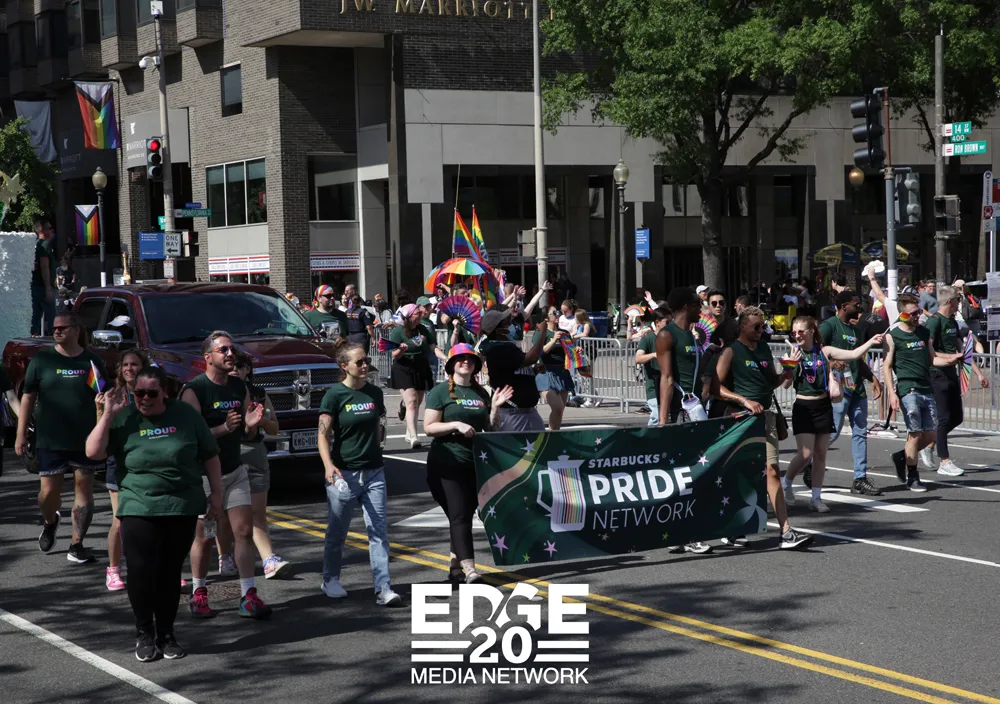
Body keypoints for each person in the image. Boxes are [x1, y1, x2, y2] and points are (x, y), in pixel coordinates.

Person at [86, 367, 222, 662]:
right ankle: (145, 632)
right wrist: (107, 414)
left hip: (181, 504)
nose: (144, 399)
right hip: (138, 504)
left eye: (151, 393)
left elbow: (210, 454)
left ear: (165, 392)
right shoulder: (124, 417)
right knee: (140, 570)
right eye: (139, 393)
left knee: (169, 572)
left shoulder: (186, 415)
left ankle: (167, 634)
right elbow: (93, 452)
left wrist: (217, 495)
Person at [181, 331, 271, 619]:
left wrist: (251, 424)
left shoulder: (238, 386)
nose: (231, 354)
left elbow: (246, 430)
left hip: (234, 471)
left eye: (232, 349)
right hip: (205, 477)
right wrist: (224, 428)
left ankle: (248, 594)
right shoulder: (194, 390)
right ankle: (199, 592)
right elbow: (190, 438)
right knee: (206, 537)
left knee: (243, 531)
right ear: (208, 357)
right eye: (224, 350)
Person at [712, 306, 813, 550]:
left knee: (772, 471)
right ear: (742, 327)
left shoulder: (765, 349)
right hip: (740, 419)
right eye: (756, 327)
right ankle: (733, 527)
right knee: (738, 473)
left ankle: (786, 531)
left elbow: (771, 383)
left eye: (763, 326)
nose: (761, 330)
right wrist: (744, 400)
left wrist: (787, 373)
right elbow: (716, 388)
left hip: (765, 418)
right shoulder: (731, 351)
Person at [15, 312, 107, 563]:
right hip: (50, 438)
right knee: (47, 494)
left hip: (85, 439)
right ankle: (50, 521)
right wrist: (21, 434)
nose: (57, 331)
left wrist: (103, 431)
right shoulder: (42, 360)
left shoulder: (91, 361)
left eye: (62, 328)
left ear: (76, 330)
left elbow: (101, 396)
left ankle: (77, 545)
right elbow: (28, 398)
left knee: (83, 490)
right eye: (55, 328)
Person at [317, 343, 401, 605]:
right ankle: (330, 579)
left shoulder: (374, 393)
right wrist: (329, 466)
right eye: (359, 362)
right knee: (337, 532)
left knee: (378, 532)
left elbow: (377, 428)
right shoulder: (334, 396)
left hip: (374, 472)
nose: (365, 366)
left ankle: (383, 587)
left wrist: (376, 452)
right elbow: (323, 435)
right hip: (344, 474)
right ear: (344, 366)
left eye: (366, 361)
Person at [423, 344, 512, 584]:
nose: (466, 362)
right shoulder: (440, 392)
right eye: (461, 359)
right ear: (452, 365)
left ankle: (455, 568)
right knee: (460, 515)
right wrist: (455, 425)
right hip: (446, 463)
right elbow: (429, 427)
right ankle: (471, 570)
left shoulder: (481, 393)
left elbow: (491, 429)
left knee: (461, 515)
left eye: (470, 359)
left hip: (474, 464)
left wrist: (495, 407)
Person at [780, 317, 884, 512]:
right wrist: (789, 366)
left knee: (820, 454)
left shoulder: (824, 351)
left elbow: (853, 354)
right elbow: (785, 384)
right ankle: (786, 482)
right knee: (805, 454)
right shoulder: (794, 353)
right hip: (803, 406)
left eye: (801, 332)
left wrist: (871, 342)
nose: (797, 336)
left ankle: (816, 498)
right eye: (794, 333)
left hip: (823, 406)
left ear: (811, 331)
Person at [883, 294, 963, 492]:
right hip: (907, 389)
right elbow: (887, 366)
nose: (917, 316)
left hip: (926, 388)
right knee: (915, 433)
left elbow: (933, 359)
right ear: (902, 314)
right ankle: (913, 476)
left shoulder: (924, 333)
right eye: (912, 313)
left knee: (931, 433)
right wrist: (892, 393)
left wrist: (951, 360)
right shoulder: (893, 336)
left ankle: (902, 456)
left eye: (918, 312)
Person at [230, 351, 289, 579]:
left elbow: (275, 428)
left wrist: (261, 420)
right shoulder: (216, 393)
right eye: (230, 366)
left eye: (239, 366)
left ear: (247, 370)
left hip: (254, 453)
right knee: (223, 514)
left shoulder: (259, 394)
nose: (234, 370)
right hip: (227, 455)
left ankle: (268, 560)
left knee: (257, 512)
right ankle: (225, 557)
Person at [817, 291, 883, 496]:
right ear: (844, 306)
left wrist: (872, 378)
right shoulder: (828, 326)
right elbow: (815, 353)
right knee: (833, 432)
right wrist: (831, 363)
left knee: (860, 433)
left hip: (857, 389)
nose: (860, 307)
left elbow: (858, 359)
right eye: (856, 304)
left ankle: (860, 479)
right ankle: (809, 462)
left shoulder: (855, 330)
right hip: (838, 390)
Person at [97, 349, 151, 591]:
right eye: (126, 364)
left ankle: (159, 569)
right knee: (120, 520)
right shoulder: (113, 394)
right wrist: (101, 411)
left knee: (154, 519)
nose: (129, 368)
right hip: (118, 462)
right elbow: (100, 433)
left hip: (147, 461)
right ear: (120, 369)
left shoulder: (151, 392)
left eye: (134, 364)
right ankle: (113, 569)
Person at [922, 286, 989, 476]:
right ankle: (944, 461)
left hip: (952, 373)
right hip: (937, 374)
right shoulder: (934, 322)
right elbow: (929, 351)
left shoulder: (952, 322)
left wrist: (979, 373)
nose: (960, 303)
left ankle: (930, 443)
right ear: (950, 301)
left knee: (957, 417)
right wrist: (950, 357)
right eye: (958, 300)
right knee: (943, 418)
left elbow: (962, 351)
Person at [390, 304, 448, 448]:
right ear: (409, 316)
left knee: (417, 402)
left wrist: (445, 358)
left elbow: (433, 347)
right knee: (412, 401)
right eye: (417, 313)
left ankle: (409, 430)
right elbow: (394, 355)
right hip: (404, 366)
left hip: (421, 366)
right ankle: (414, 436)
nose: (420, 315)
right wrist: (401, 350)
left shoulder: (423, 329)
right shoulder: (398, 331)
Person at [534, 307, 575, 430]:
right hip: (545, 373)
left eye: (558, 312)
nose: (558, 314)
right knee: (557, 407)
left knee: (560, 411)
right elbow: (538, 352)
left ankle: (554, 434)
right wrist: (553, 340)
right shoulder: (541, 333)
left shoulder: (564, 333)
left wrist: (576, 350)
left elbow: (570, 351)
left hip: (562, 373)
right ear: (546, 317)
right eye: (554, 312)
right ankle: (551, 434)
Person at [635, 307, 670, 427]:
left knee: (667, 417)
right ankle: (649, 436)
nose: (670, 325)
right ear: (657, 323)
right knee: (656, 416)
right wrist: (654, 355)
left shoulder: (672, 338)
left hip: (669, 385)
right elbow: (638, 358)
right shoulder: (648, 338)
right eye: (667, 322)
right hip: (654, 387)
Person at [30, 219, 57, 337]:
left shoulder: (35, 244)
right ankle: (55, 341)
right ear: (42, 231)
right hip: (43, 287)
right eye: (49, 228)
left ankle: (33, 338)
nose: (52, 230)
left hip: (35, 286)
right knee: (53, 318)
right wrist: (48, 288)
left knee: (36, 317)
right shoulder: (45, 245)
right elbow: (44, 266)